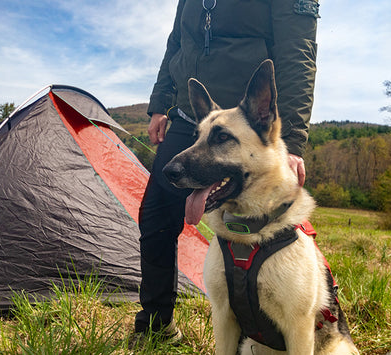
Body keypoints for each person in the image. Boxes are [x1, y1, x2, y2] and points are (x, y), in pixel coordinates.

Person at [134, 0, 320, 341]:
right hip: (196, 115)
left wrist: (290, 142)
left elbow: (298, 51)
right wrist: (160, 103)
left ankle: (265, 332)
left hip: (251, 117)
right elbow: (177, 41)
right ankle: (157, 323)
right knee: (156, 214)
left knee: (264, 225)